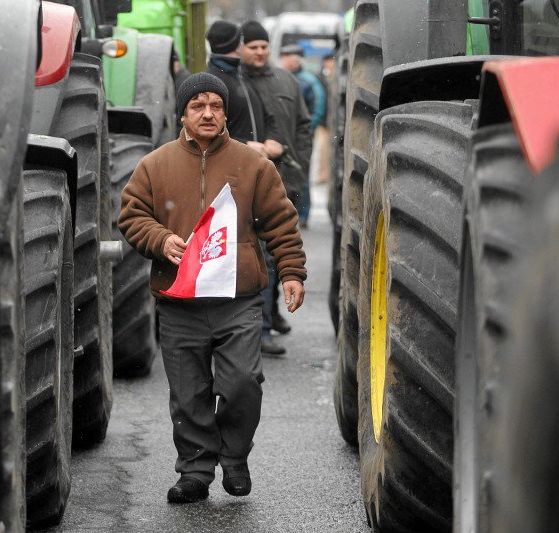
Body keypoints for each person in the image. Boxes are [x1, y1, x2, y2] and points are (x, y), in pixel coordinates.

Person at [118, 72, 306, 504]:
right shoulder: (155, 165)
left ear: (225, 113)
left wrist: (292, 273)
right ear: (182, 114)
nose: (208, 113)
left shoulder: (253, 165)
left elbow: (280, 222)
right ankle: (196, 471)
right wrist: (160, 239)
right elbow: (131, 216)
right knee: (188, 394)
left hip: (237, 300)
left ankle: (235, 458)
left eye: (216, 106)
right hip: (179, 301)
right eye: (198, 106)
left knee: (243, 382)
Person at [240, 20, 312, 355]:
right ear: (241, 48)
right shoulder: (236, 84)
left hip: (286, 179)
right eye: (252, 47)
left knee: (282, 250)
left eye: (263, 47)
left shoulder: (287, 81)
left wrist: (301, 166)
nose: (259, 52)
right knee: (261, 256)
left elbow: (303, 126)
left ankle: (272, 313)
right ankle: (262, 325)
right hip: (250, 184)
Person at [204, 20, 284, 159]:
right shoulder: (211, 82)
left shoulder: (242, 75)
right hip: (229, 167)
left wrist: (272, 138)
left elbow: (267, 116)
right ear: (236, 47)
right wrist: (244, 145)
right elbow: (206, 134)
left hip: (253, 165)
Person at [279, 43, 328, 223]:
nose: (287, 61)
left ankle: (303, 214)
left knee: (301, 172)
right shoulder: (279, 78)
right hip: (282, 135)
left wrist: (306, 129)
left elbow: (318, 107)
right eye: (284, 58)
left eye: (290, 58)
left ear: (297, 60)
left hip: (301, 137)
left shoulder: (308, 81)